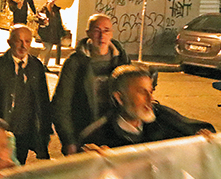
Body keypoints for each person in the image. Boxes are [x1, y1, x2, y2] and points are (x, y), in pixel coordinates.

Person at [80, 64, 214, 149]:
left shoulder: (164, 118)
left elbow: (199, 130)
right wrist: (92, 161)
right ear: (119, 98)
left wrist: (203, 136)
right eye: (142, 92)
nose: (151, 99)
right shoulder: (97, 137)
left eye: (150, 91)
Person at [51, 13, 130, 155]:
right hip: (85, 135)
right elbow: (61, 105)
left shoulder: (122, 61)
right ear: (88, 33)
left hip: (116, 135)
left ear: (112, 33)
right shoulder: (75, 63)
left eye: (106, 31)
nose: (102, 36)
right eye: (97, 31)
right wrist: (68, 140)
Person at [0, 25, 51, 164]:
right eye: (19, 41)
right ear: (9, 42)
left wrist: (44, 131)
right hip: (3, 129)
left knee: (19, 164)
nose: (23, 45)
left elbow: (43, 99)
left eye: (27, 41)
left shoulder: (36, 66)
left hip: (25, 129)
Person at [37, 0, 65, 69]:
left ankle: (44, 65)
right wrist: (44, 21)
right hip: (45, 32)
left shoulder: (56, 10)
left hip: (53, 33)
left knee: (49, 50)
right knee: (47, 48)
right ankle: (39, 62)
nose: (52, 0)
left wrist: (61, 32)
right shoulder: (43, 9)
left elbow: (59, 21)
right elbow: (39, 19)